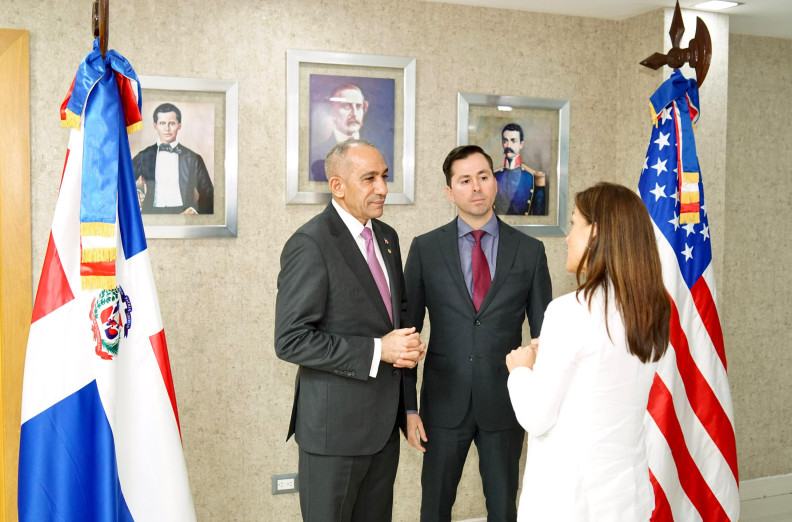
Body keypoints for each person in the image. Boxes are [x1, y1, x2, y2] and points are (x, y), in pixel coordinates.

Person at [275, 139, 426, 521]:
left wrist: (409, 407)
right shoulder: (310, 243)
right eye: (370, 178)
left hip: (384, 430)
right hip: (333, 436)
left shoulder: (387, 238)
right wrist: (378, 351)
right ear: (337, 186)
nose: (383, 188)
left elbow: (400, 332)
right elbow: (290, 339)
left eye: (385, 177)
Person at [505, 182, 671, 521]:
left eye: (574, 223)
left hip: (570, 501)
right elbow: (603, 376)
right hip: (627, 496)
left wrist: (521, 369)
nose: (567, 237)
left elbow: (537, 417)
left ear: (594, 233)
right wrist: (551, 354)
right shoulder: (652, 308)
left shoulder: (569, 311)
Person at [403, 145, 552, 521]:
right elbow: (406, 335)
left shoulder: (530, 252)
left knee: (504, 508)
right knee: (434, 508)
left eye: (484, 176)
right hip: (442, 403)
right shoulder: (425, 249)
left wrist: (542, 404)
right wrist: (408, 407)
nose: (477, 187)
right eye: (465, 180)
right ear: (450, 192)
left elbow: (544, 338)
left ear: (494, 182)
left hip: (505, 403)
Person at [132, 102, 214, 214]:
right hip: (151, 215)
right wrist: (136, 192)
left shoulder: (193, 159)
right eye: (162, 123)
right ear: (155, 125)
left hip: (183, 215)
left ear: (179, 125)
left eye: (172, 123)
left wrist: (194, 210)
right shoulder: (144, 156)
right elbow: (124, 180)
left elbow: (209, 195)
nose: (167, 128)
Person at [309, 84, 370, 181]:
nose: (354, 114)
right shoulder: (315, 155)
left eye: (358, 107)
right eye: (346, 106)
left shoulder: (380, 154)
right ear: (332, 112)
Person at [493, 123, 546, 216]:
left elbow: (539, 217)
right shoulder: (493, 175)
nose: (508, 145)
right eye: (505, 141)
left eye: (513, 141)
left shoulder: (533, 177)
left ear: (521, 144)